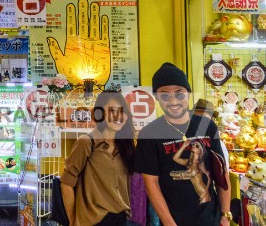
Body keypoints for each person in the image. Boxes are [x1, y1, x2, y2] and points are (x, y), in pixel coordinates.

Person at [136, 63, 230, 226]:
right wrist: (169, 223)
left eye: (179, 94)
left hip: (212, 219)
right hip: (176, 220)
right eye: (165, 95)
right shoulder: (149, 134)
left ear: (188, 93)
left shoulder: (207, 126)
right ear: (157, 97)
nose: (173, 101)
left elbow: (221, 172)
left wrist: (225, 214)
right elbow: (151, 183)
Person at [60, 91, 136, 226]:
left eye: (122, 111)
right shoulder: (86, 142)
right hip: (93, 220)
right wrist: (72, 221)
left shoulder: (125, 147)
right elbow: (66, 183)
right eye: (112, 110)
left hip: (120, 218)